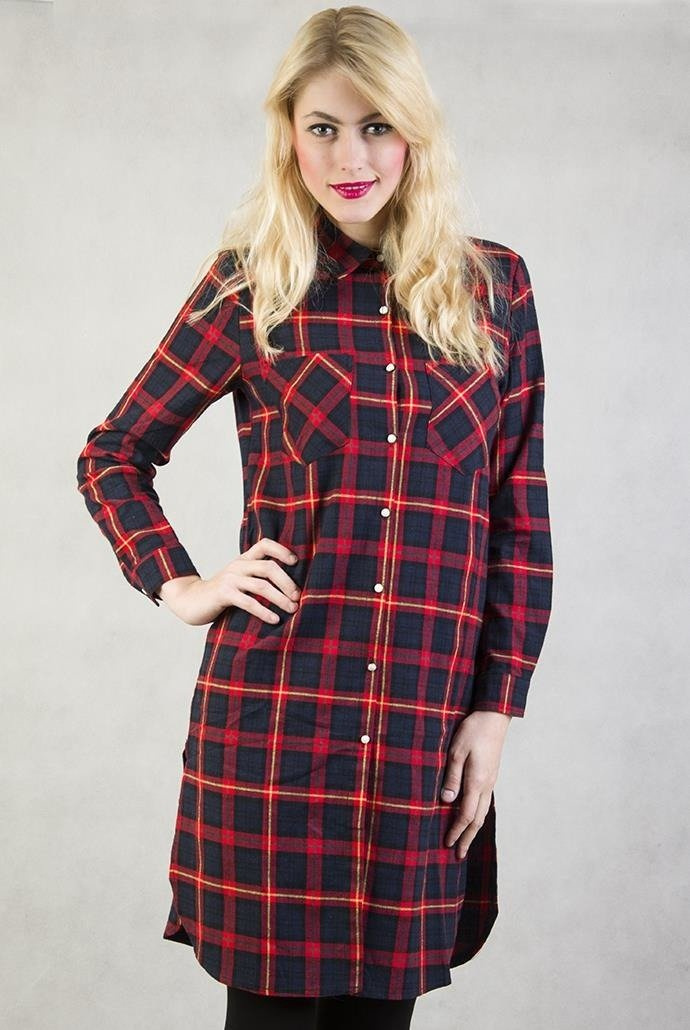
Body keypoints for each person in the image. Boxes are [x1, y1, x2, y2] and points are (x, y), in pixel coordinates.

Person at [75, 6, 553, 1029]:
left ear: (415, 130)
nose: (350, 157)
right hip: (277, 736)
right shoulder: (253, 284)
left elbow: (520, 519)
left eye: (376, 126)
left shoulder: (495, 290)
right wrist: (183, 583)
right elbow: (113, 454)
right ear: (288, 134)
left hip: (419, 743)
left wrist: (496, 708)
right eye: (323, 127)